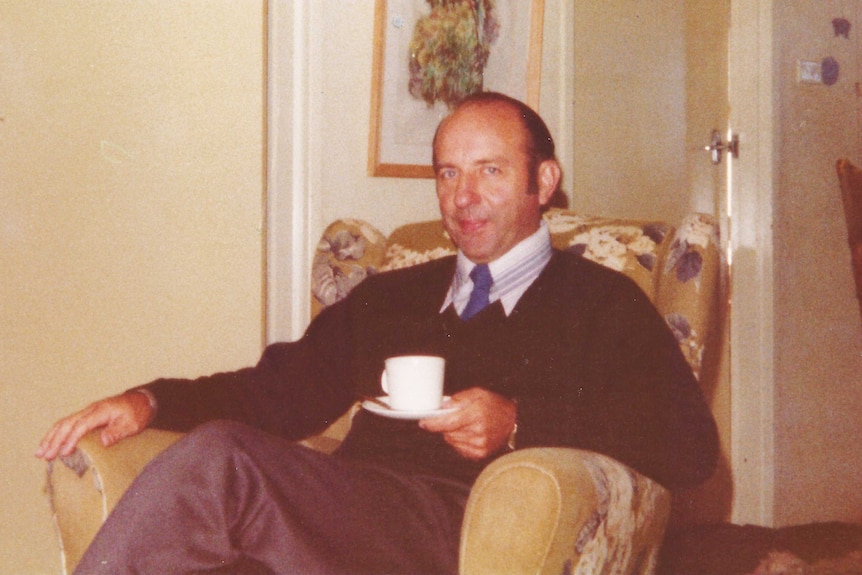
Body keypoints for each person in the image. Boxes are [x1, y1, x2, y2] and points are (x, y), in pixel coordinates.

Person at [37, 92, 719, 575]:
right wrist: (150, 401)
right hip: (352, 520)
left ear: (543, 180)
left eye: (490, 170)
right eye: (448, 173)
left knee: (225, 462)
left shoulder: (600, 301)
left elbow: (689, 446)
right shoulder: (394, 296)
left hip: (476, 528)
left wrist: (519, 420)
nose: (464, 197)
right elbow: (275, 394)